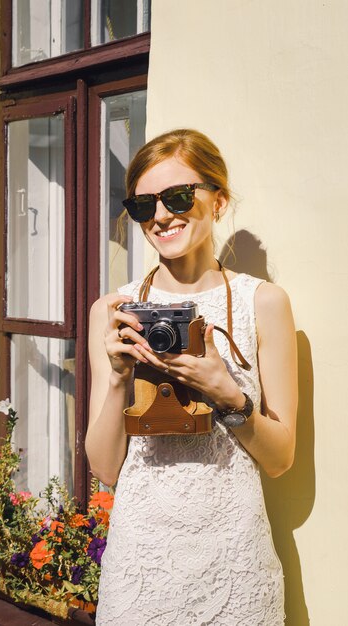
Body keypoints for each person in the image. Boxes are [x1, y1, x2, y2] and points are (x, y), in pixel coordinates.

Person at [85, 128, 297, 626]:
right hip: (142, 565)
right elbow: (106, 468)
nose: (160, 216)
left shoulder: (262, 303)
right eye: (142, 206)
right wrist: (118, 378)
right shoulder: (114, 310)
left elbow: (281, 458)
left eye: (178, 196)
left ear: (218, 200)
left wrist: (227, 394)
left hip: (234, 559)